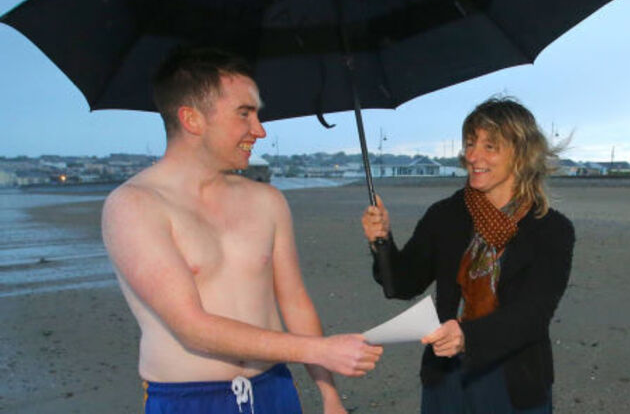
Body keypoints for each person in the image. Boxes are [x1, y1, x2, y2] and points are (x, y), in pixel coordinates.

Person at [102, 47, 382, 414]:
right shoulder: (134, 205)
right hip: (190, 399)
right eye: (244, 114)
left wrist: (329, 395)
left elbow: (295, 302)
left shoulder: (267, 200)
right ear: (192, 119)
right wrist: (320, 350)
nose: (260, 130)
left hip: (274, 389)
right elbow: (191, 327)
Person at [362, 97, 574, 413]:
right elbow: (402, 284)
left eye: (490, 146)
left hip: (515, 382)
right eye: (471, 144)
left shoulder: (551, 229)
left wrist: (467, 336)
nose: (473, 156)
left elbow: (533, 314)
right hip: (446, 377)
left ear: (521, 154)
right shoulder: (445, 215)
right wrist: (381, 241)